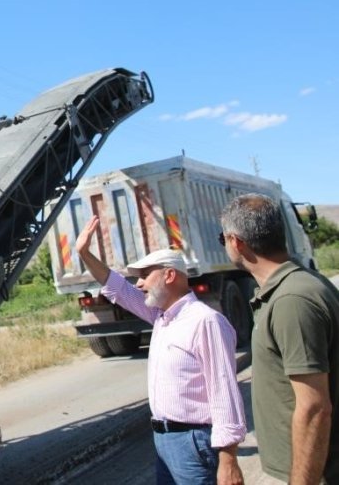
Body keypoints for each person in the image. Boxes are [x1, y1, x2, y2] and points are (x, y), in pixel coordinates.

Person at [76, 215, 246, 485]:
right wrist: (84, 253)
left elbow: (224, 391)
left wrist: (229, 460)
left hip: (193, 442)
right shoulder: (161, 316)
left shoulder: (205, 321)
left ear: (169, 275)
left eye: (145, 276)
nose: (139, 284)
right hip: (165, 442)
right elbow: (117, 288)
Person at [221, 194, 339, 484]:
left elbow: (314, 408)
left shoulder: (291, 301)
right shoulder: (298, 286)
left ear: (236, 242)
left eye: (222, 238)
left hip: (315, 474)